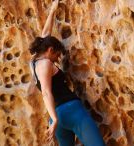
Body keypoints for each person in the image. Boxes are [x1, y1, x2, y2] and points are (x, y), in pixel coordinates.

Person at [29, 0, 105, 146]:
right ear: (50, 50)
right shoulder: (45, 64)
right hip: (72, 111)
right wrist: (55, 119)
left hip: (58, 120)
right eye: (57, 55)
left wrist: (52, 11)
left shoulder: (33, 61)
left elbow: (45, 35)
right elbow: (45, 91)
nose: (57, 59)